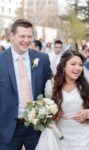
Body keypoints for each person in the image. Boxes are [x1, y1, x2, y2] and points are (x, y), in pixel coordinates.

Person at [36, 50, 89, 150]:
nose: (77, 68)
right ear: (63, 66)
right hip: (60, 132)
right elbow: (47, 108)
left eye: (80, 65)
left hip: (84, 134)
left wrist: (88, 113)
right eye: (73, 64)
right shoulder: (51, 84)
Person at [0, 19, 52, 150]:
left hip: (36, 128)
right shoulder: (1, 60)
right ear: (12, 36)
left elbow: (51, 88)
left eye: (30, 36)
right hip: (7, 128)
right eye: (22, 36)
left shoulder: (43, 59)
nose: (26, 40)